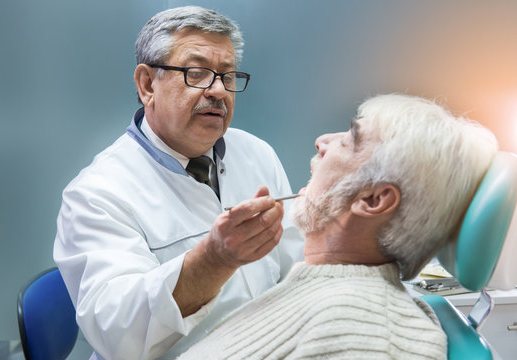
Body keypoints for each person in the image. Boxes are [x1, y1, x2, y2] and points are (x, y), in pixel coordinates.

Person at [53, 6, 304, 360]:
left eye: (228, 76)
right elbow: (121, 337)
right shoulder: (96, 194)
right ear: (147, 85)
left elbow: (296, 265)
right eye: (197, 73)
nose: (218, 90)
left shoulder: (257, 153)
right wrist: (214, 260)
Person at [177, 94, 498, 360]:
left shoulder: (360, 332)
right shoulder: (323, 297)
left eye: (350, 140)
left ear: (373, 200)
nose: (322, 142)